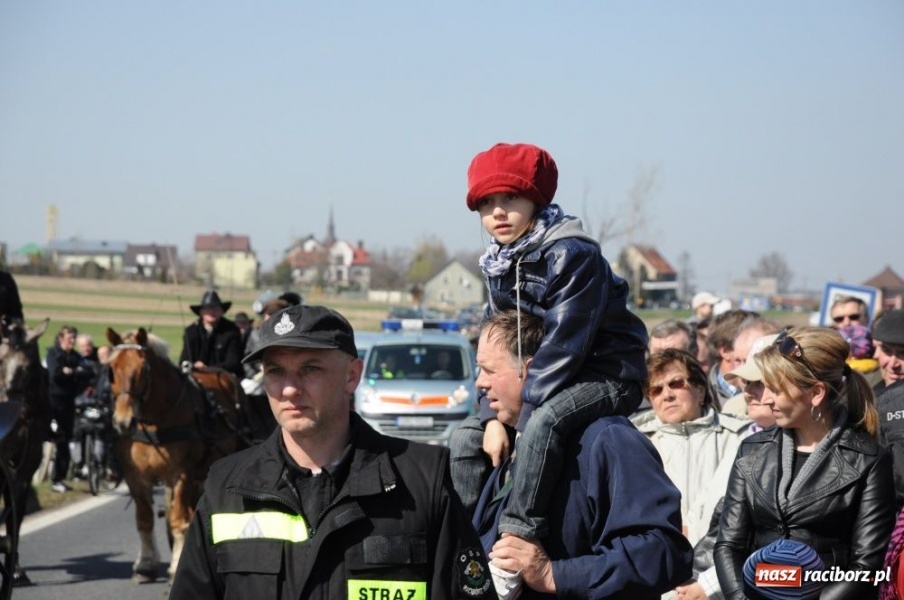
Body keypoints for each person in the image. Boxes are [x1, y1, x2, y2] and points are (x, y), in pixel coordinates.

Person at [170, 304, 495, 599]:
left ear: (351, 376)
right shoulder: (227, 486)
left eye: (310, 369)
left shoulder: (422, 481)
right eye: (275, 371)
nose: (289, 389)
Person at [453, 142, 648, 555]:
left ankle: (517, 535)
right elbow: (496, 338)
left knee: (544, 423)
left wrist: (521, 418)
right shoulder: (500, 263)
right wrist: (490, 417)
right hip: (544, 378)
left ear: (536, 199)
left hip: (605, 374)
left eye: (510, 198)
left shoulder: (573, 254)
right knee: (465, 436)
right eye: (486, 203)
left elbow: (564, 346)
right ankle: (463, 541)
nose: (498, 212)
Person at [471, 310, 693, 598]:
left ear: (533, 371)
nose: (479, 382)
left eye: (489, 370)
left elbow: (663, 552)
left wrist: (554, 574)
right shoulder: (510, 440)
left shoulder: (608, 440)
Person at [714, 327, 896, 599]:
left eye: (776, 388)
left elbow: (866, 567)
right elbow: (728, 544)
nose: (766, 399)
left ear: (816, 393)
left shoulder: (868, 461)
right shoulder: (751, 451)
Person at [46, 325, 94, 492]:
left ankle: (58, 478)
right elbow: (55, 374)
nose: (72, 341)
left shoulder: (75, 356)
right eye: (69, 338)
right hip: (52, 402)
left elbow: (88, 372)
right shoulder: (53, 354)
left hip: (68, 403)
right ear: (61, 339)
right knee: (48, 436)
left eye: (74, 338)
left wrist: (70, 372)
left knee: (64, 440)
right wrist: (73, 373)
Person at [179, 290, 244, 380]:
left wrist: (208, 369)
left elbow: (233, 363)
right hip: (196, 378)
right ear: (201, 312)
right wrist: (194, 366)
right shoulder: (191, 332)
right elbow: (184, 361)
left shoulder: (232, 330)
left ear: (222, 311)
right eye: (207, 308)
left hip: (225, 378)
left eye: (216, 308)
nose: (212, 311)